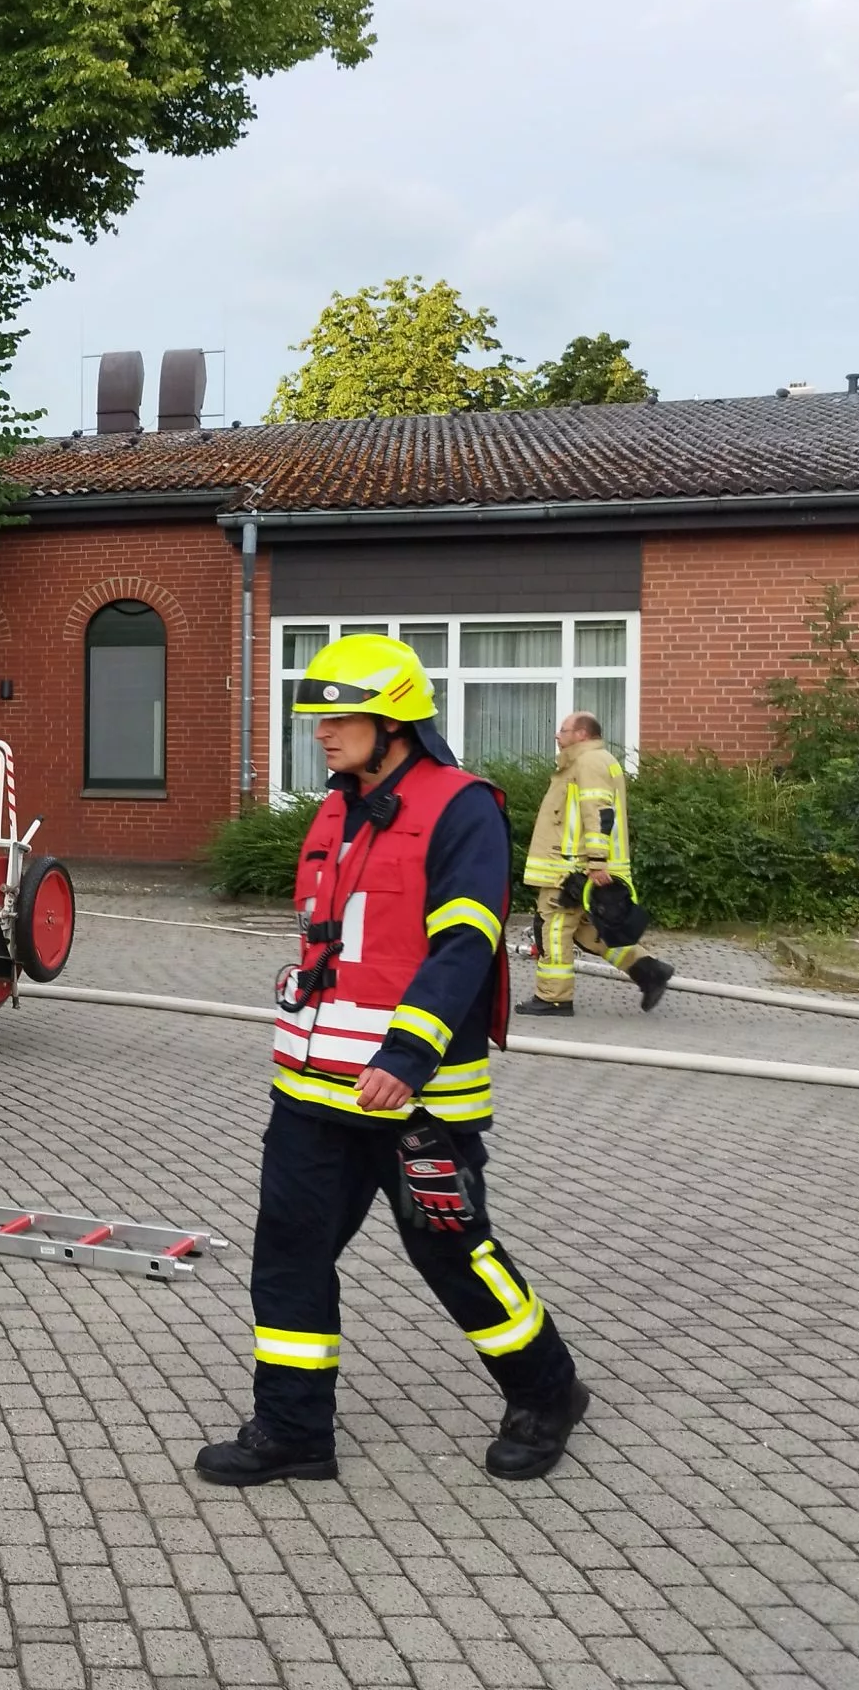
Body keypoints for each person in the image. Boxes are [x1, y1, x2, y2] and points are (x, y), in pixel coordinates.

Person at [197, 635, 590, 1489]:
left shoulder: (463, 808)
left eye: (341, 719)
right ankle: (293, 1431)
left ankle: (548, 1391)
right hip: (310, 1094)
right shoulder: (337, 809)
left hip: (418, 1101)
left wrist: (409, 1053)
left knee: (453, 1253)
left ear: (397, 721)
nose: (323, 734)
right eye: (319, 719)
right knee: (289, 1252)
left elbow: (465, 943)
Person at [520, 711, 673, 1016]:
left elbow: (598, 813)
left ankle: (554, 998)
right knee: (588, 931)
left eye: (563, 730)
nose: (557, 735)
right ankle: (648, 970)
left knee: (556, 928)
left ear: (582, 734)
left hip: (571, 866)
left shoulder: (588, 762)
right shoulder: (590, 761)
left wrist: (597, 861)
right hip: (577, 864)